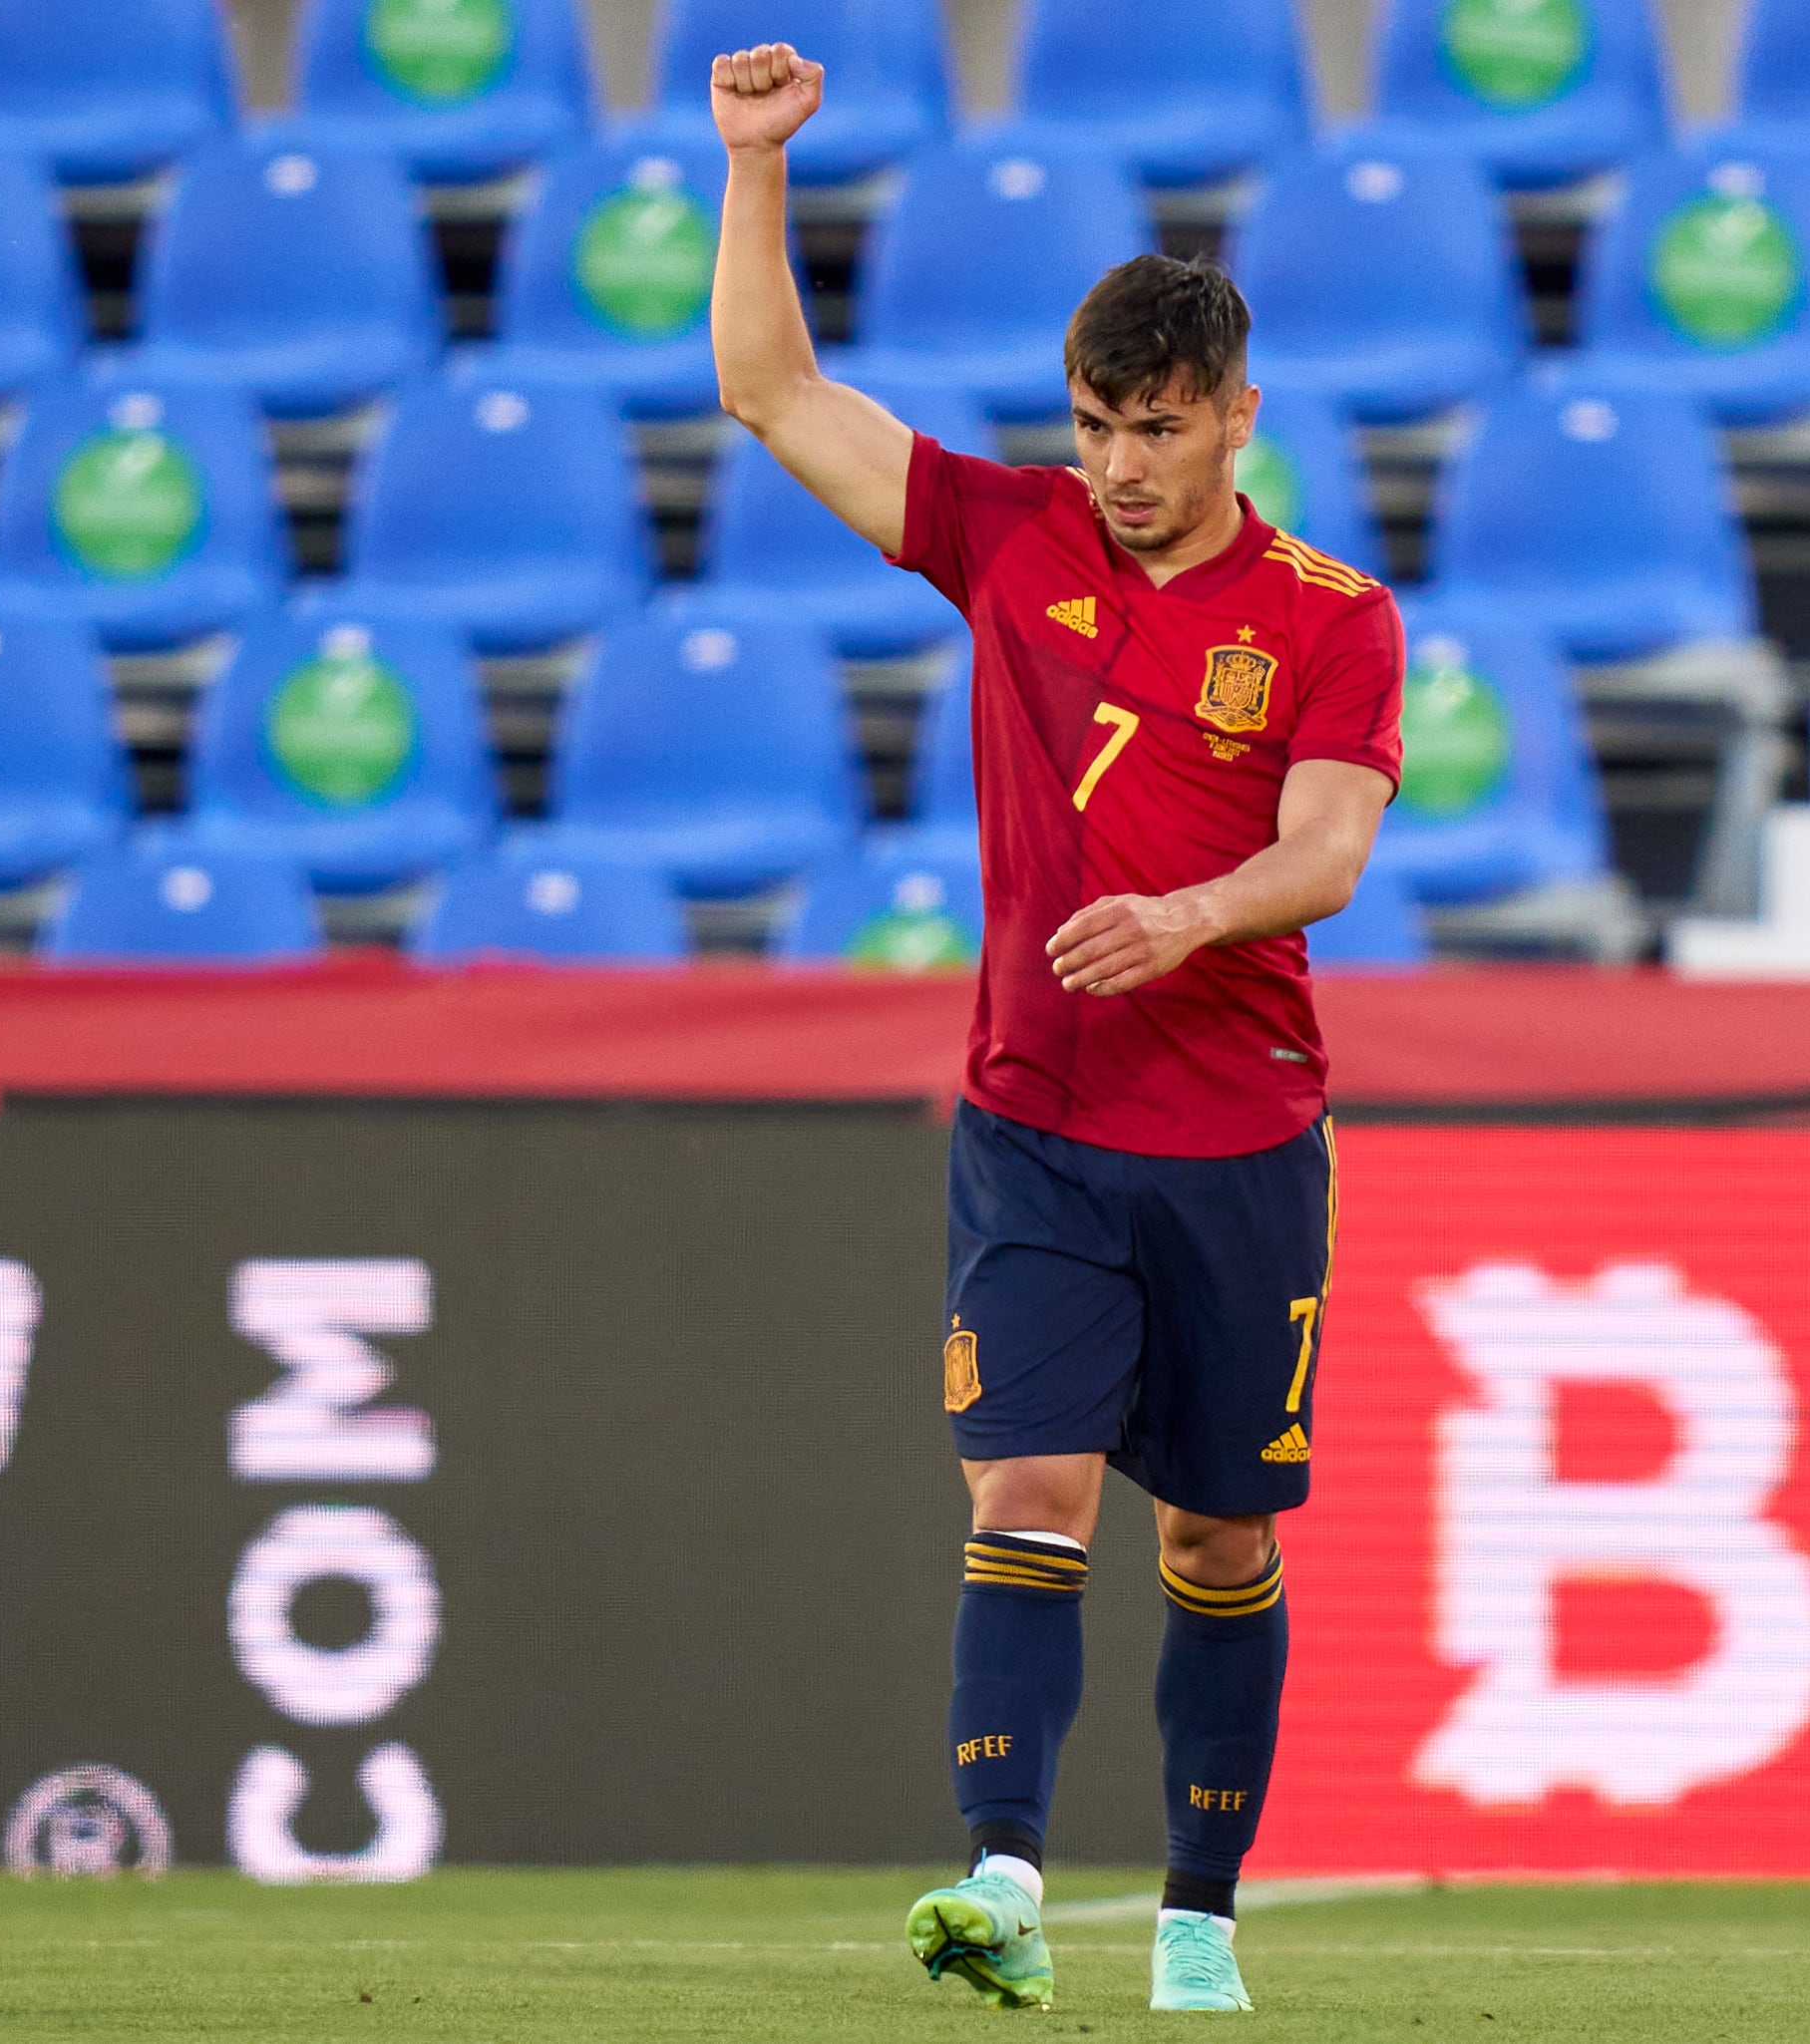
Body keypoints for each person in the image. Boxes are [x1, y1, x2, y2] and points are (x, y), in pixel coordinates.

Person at [706, 44, 1404, 2017]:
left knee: (1216, 1532)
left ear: (1235, 419)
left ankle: (1195, 1911)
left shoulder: (1333, 616)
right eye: (1095, 422)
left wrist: (1188, 910)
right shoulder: (1010, 541)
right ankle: (1002, 1877)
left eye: (1155, 428)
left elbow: (1330, 849)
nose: (1116, 462)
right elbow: (772, 392)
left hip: (1243, 1138)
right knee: (1025, 1487)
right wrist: (754, 170)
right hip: (1033, 1121)